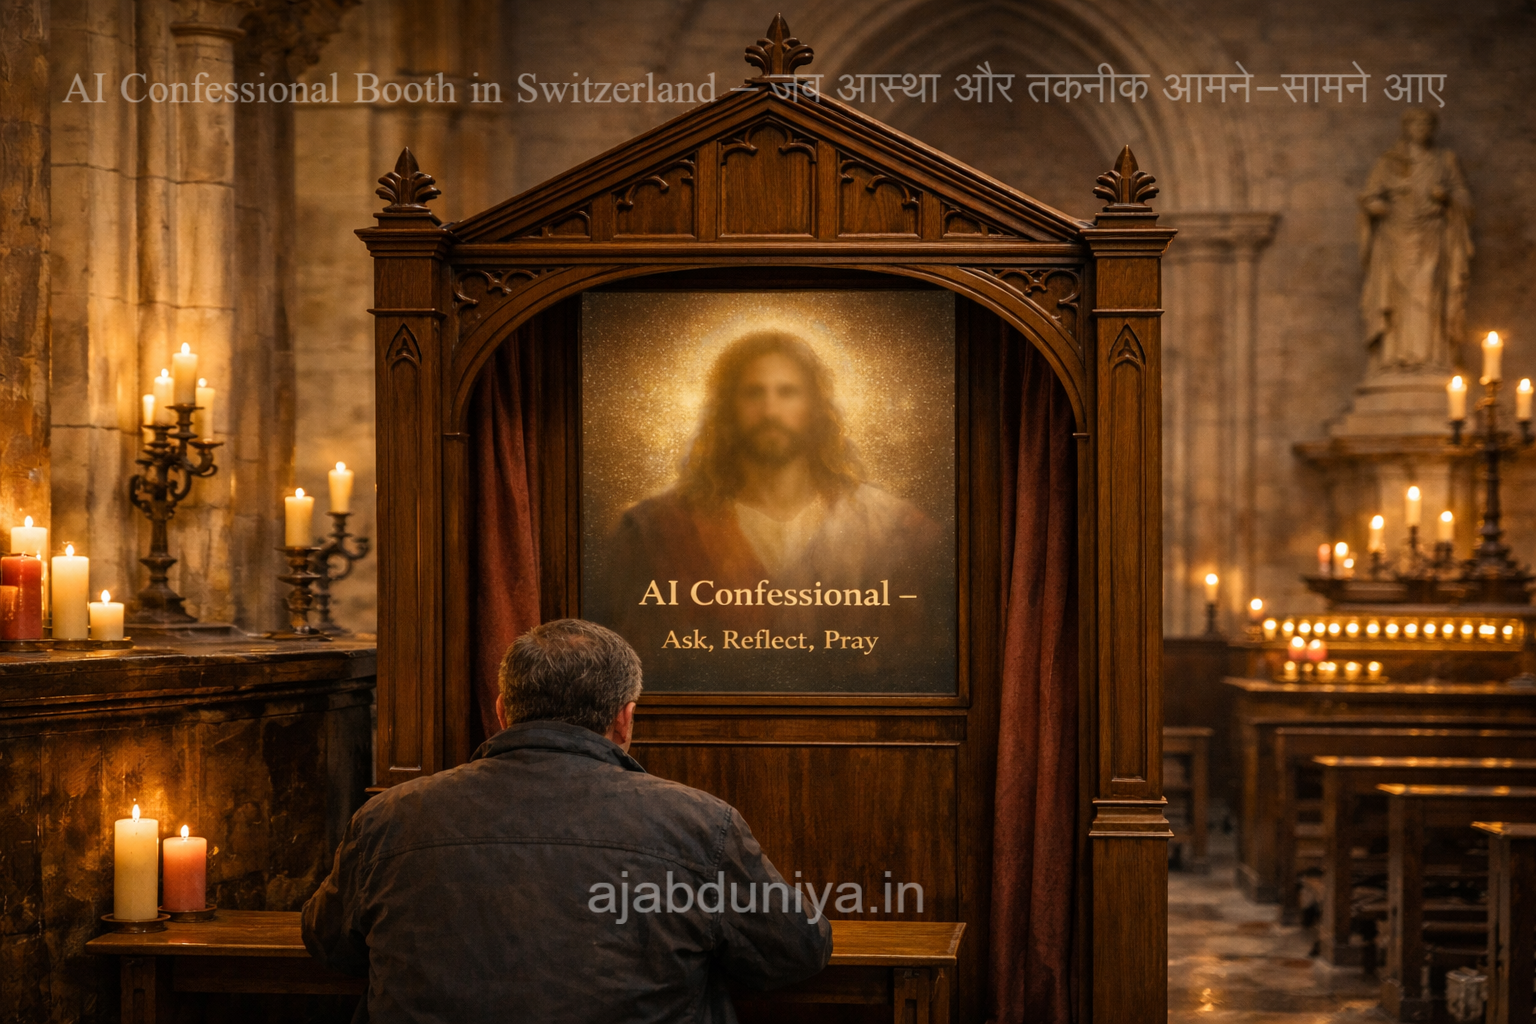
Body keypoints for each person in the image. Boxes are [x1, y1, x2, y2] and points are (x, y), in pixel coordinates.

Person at [302, 618, 831, 1022]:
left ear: (504, 710)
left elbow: (330, 945)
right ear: (625, 719)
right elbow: (795, 951)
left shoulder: (388, 817)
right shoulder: (700, 825)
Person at [590, 330, 949, 690]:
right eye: (753, 393)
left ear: (815, 406)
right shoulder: (657, 528)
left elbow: (913, 661)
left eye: (788, 392)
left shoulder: (892, 527)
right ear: (728, 406)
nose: (770, 411)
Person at [1358, 107, 1474, 372]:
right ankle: (1394, 358)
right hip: (1395, 236)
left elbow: (1464, 200)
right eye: (1416, 124)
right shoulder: (1389, 162)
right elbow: (1369, 197)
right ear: (1406, 128)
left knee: (1429, 293)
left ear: (1432, 129)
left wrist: (1447, 197)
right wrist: (1377, 207)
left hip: (1432, 236)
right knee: (1396, 298)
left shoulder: (1445, 161)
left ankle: (1431, 358)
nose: (1421, 129)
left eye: (1426, 124)